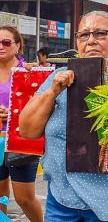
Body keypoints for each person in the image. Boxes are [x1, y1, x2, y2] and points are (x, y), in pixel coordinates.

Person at [19, 11, 108, 222]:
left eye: (100, 33)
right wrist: (53, 92)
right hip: (62, 199)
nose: (91, 40)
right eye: (84, 35)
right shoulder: (58, 77)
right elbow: (28, 130)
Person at [0, 25, 43, 222]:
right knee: (0, 197)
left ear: (18, 45)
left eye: (6, 42)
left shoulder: (29, 72)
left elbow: (40, 107)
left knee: (24, 198)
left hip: (21, 140)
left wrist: (15, 114)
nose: (1, 46)